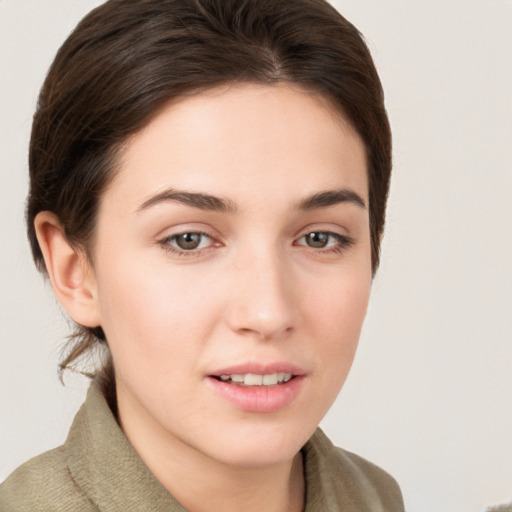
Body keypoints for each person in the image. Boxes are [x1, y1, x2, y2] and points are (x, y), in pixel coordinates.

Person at [0, 0, 404, 510]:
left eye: (320, 238)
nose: (268, 312)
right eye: (188, 239)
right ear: (74, 269)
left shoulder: (378, 498)